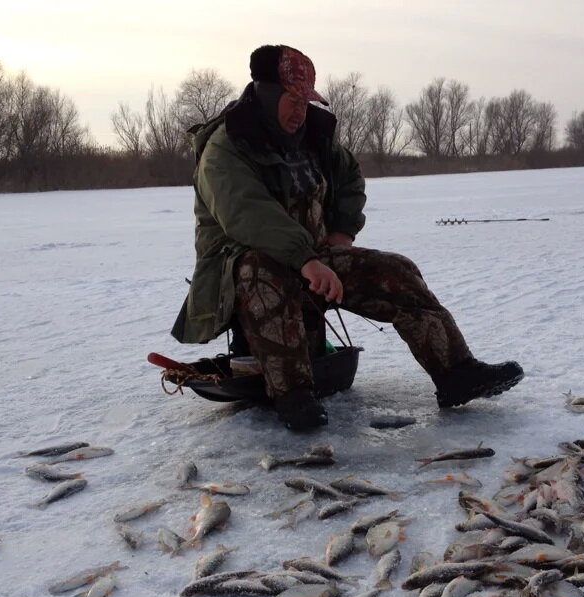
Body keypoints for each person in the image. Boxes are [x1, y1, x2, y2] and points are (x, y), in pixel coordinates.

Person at [171, 44, 523, 431]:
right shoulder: (224, 147)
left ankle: (456, 372)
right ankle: (292, 396)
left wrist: (341, 232)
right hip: (238, 274)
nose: (300, 111)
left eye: (306, 101)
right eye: (292, 99)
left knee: (397, 270)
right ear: (266, 92)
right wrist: (307, 260)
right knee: (260, 269)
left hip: (311, 258)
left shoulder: (313, 137)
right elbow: (248, 213)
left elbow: (350, 178)